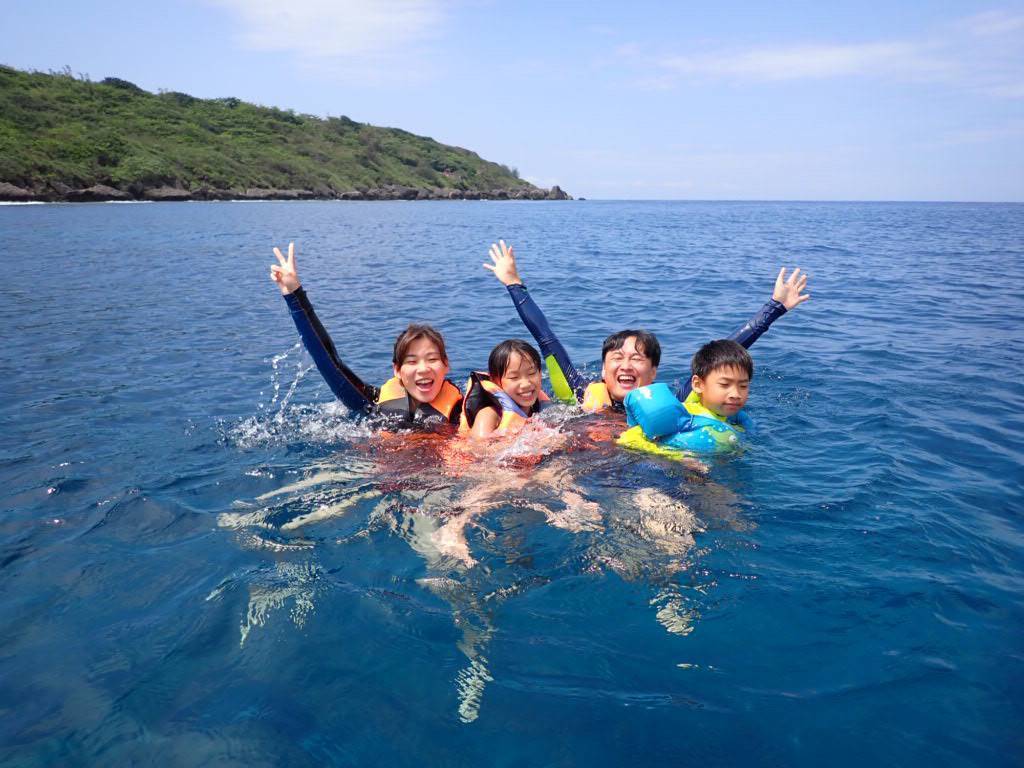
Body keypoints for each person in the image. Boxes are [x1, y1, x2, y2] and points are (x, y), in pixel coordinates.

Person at [483, 240, 809, 413]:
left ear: (653, 373)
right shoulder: (580, 392)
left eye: (637, 359)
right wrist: (513, 283)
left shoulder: (673, 397)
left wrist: (774, 308)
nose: (626, 365)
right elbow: (545, 337)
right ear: (603, 369)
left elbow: (722, 356)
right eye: (617, 358)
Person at [270, 242, 463, 427]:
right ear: (397, 370)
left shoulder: (463, 414)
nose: (423, 369)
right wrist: (294, 295)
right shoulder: (374, 404)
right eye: (412, 361)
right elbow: (328, 362)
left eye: (432, 359)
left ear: (446, 365)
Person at [619, 340, 756, 455]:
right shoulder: (683, 414)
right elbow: (628, 440)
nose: (736, 394)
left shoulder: (736, 418)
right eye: (724, 385)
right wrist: (678, 457)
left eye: (743, 386)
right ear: (698, 385)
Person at [460, 339, 552, 438]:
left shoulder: (540, 407)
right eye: (514, 377)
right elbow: (476, 445)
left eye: (531, 373)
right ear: (496, 381)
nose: (525, 384)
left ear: (540, 373)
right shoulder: (489, 414)